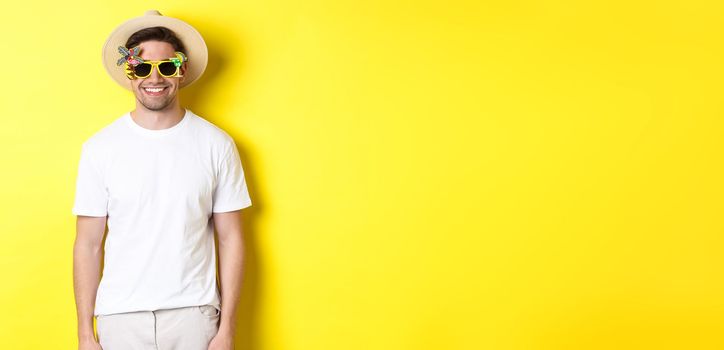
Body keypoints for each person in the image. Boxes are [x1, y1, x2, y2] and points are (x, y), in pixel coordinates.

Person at [72, 10, 251, 350]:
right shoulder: (99, 148)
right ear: (129, 73)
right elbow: (88, 244)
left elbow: (231, 239)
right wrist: (84, 333)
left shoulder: (216, 144)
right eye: (141, 67)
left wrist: (227, 328)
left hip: (194, 317)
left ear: (181, 71)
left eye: (166, 66)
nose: (154, 77)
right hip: (120, 318)